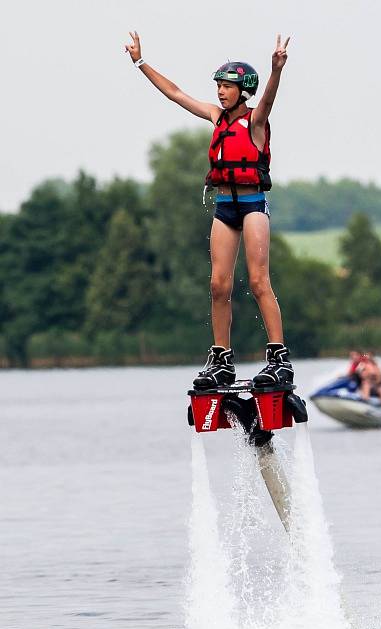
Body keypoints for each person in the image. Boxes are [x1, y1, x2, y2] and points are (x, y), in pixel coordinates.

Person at [124, 31, 294, 390]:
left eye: (227, 86)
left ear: (243, 90)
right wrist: (140, 63)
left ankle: (279, 359)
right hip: (224, 207)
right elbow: (175, 93)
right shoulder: (217, 118)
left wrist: (276, 69)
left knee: (259, 281)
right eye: (218, 85)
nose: (219, 91)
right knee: (218, 285)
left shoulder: (256, 122)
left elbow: (269, 100)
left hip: (251, 207)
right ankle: (222, 360)